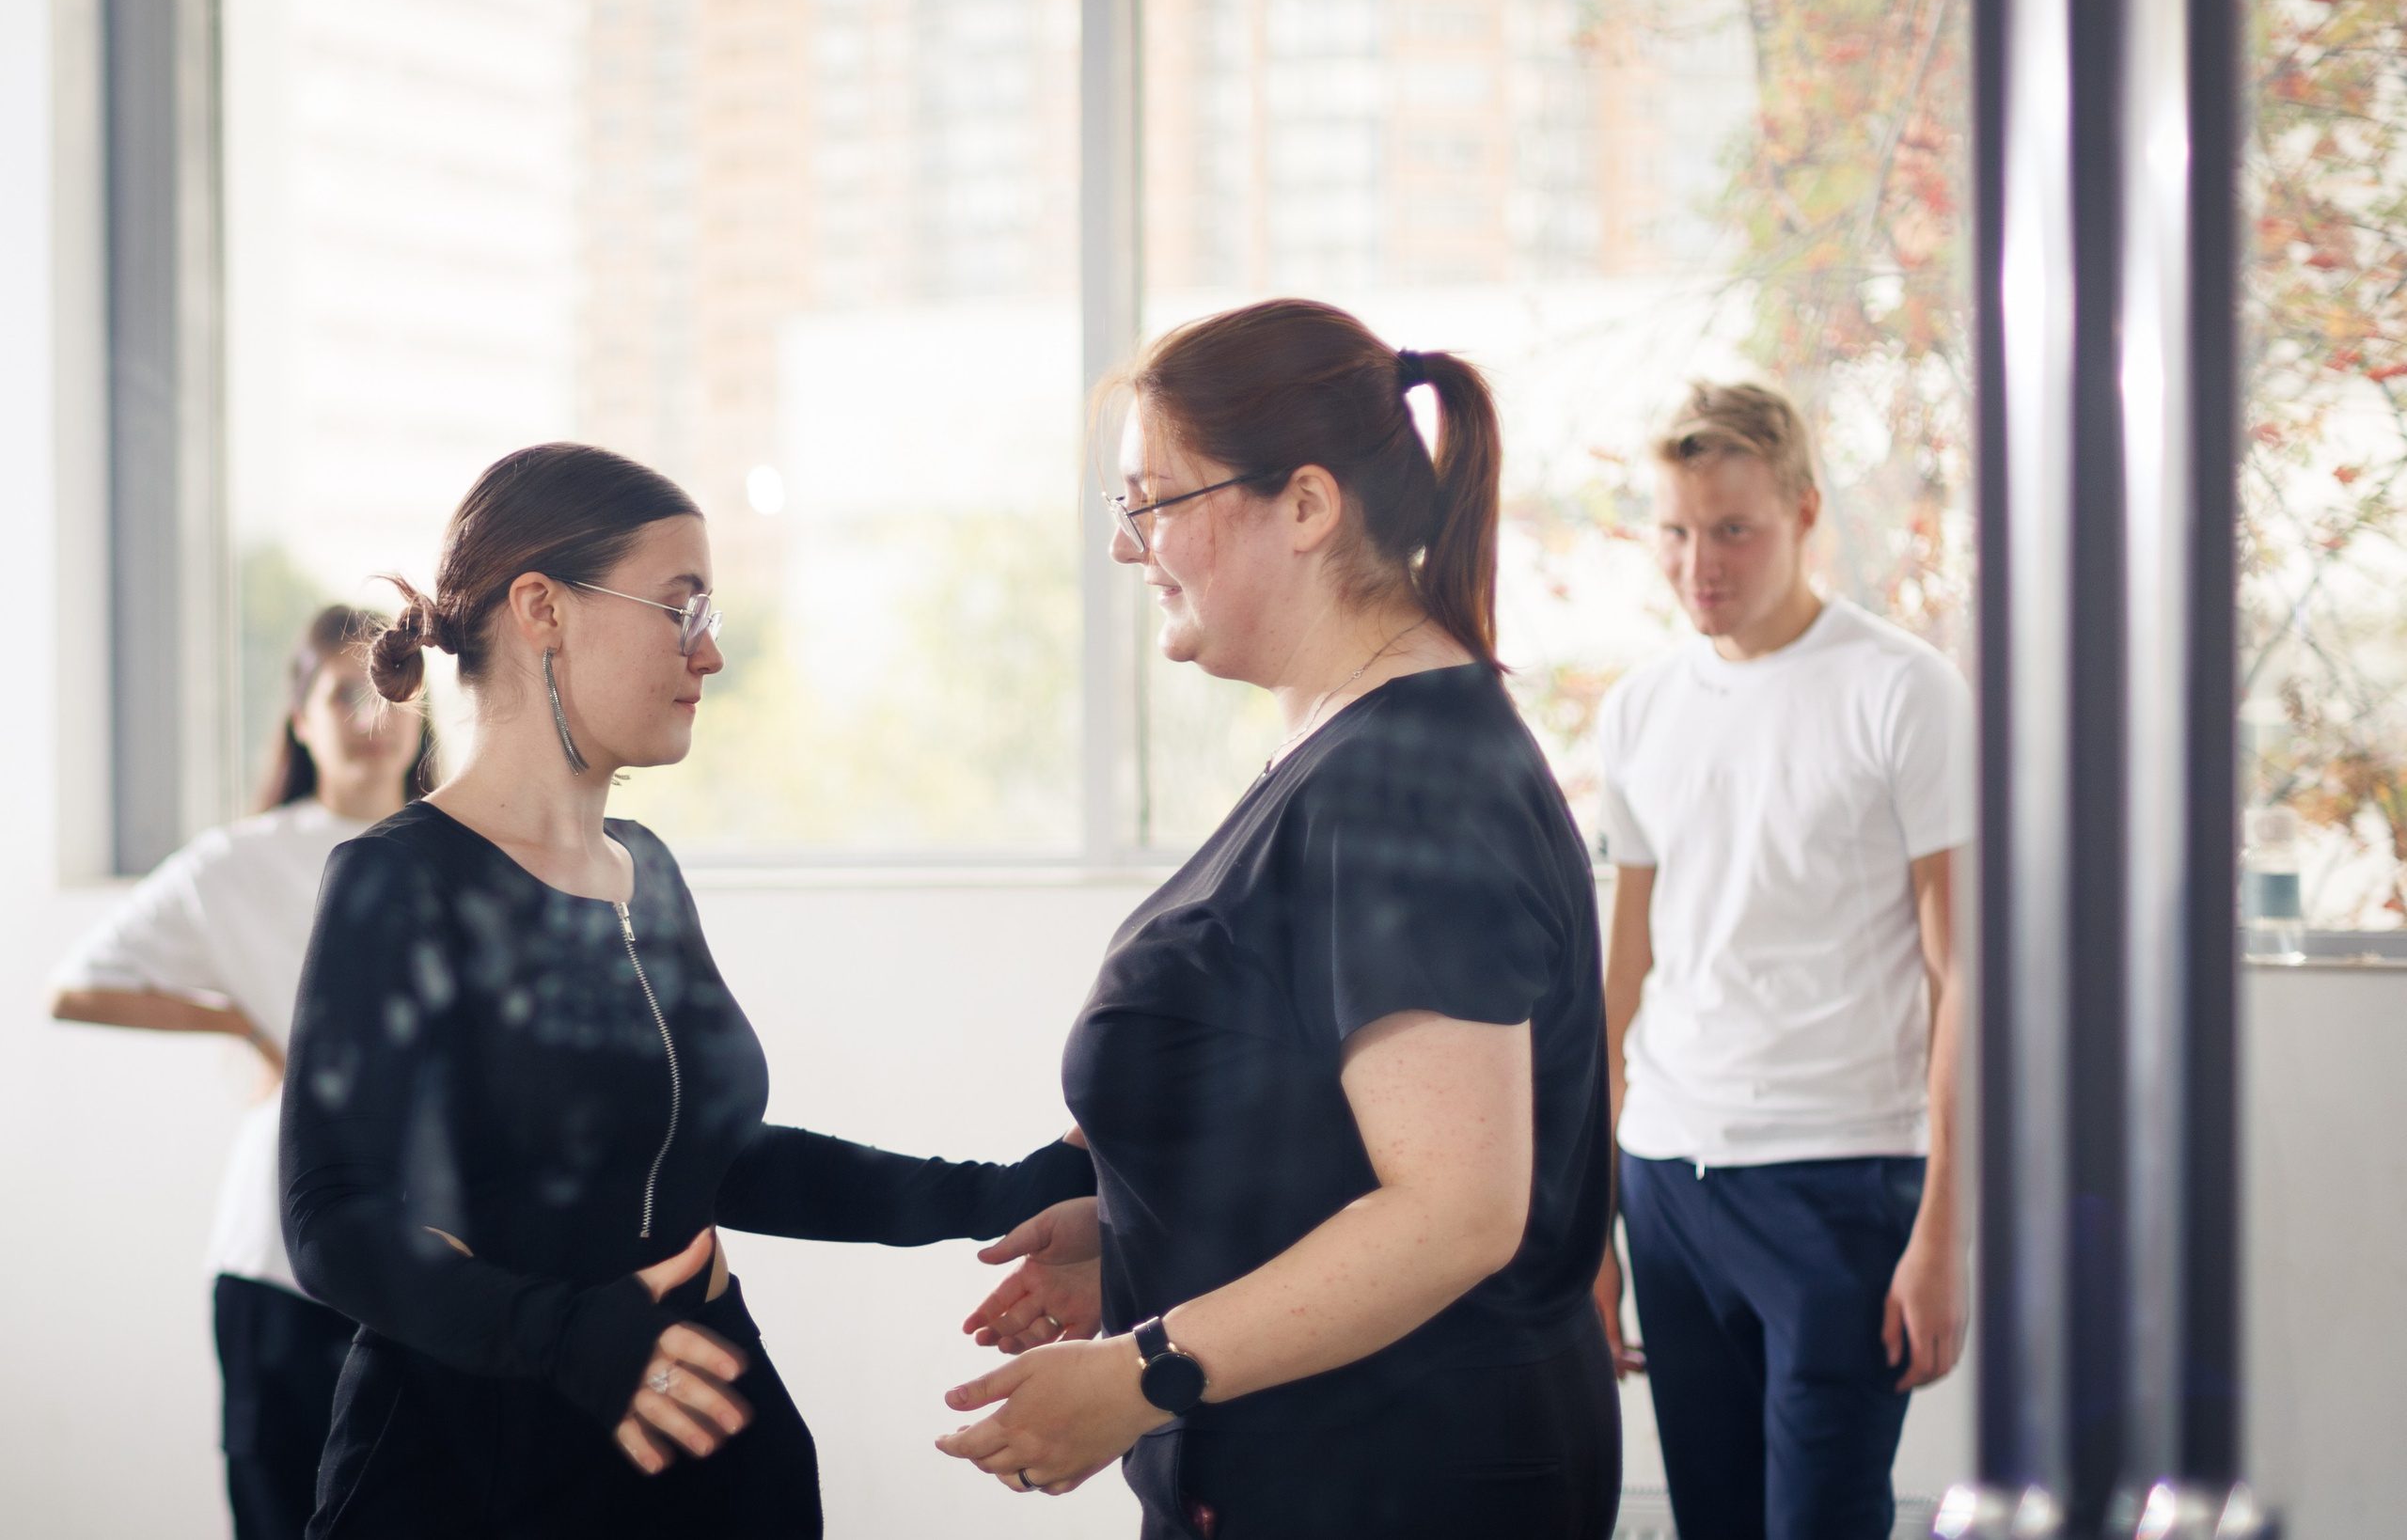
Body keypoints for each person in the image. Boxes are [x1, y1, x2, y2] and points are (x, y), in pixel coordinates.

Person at [278, 443, 1095, 1539]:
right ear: (542, 609)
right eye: (681, 609)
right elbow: (332, 1220)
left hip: (707, 1429)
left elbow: (709, 1156)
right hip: (482, 1460)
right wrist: (562, 1337)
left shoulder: (643, 869)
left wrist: (994, 1195)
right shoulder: (399, 880)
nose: (707, 657)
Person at [934, 300, 1621, 1539]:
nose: (1128, 547)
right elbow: (1322, 1116)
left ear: (1307, 506)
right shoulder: (1356, 747)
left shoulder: (1406, 782)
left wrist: (1145, 1366)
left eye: (1155, 501)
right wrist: (1144, 1230)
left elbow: (1454, 1207)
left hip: (1393, 1477)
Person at [1590, 381, 1971, 1540]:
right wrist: (1586, 1232)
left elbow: (1968, 983)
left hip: (1840, 1182)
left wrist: (1946, 1237)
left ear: (1805, 513)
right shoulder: (1640, 708)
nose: (1699, 563)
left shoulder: (1902, 691)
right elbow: (1623, 978)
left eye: (1733, 529)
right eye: (1675, 531)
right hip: (1664, 1181)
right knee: (1713, 1520)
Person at [49, 605, 433, 1540]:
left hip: (434, 1261)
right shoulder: (239, 862)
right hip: (275, 1259)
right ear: (299, 717)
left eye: (389, 692)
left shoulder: (463, 852)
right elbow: (76, 987)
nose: (368, 716)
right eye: (340, 692)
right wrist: (252, 1028)